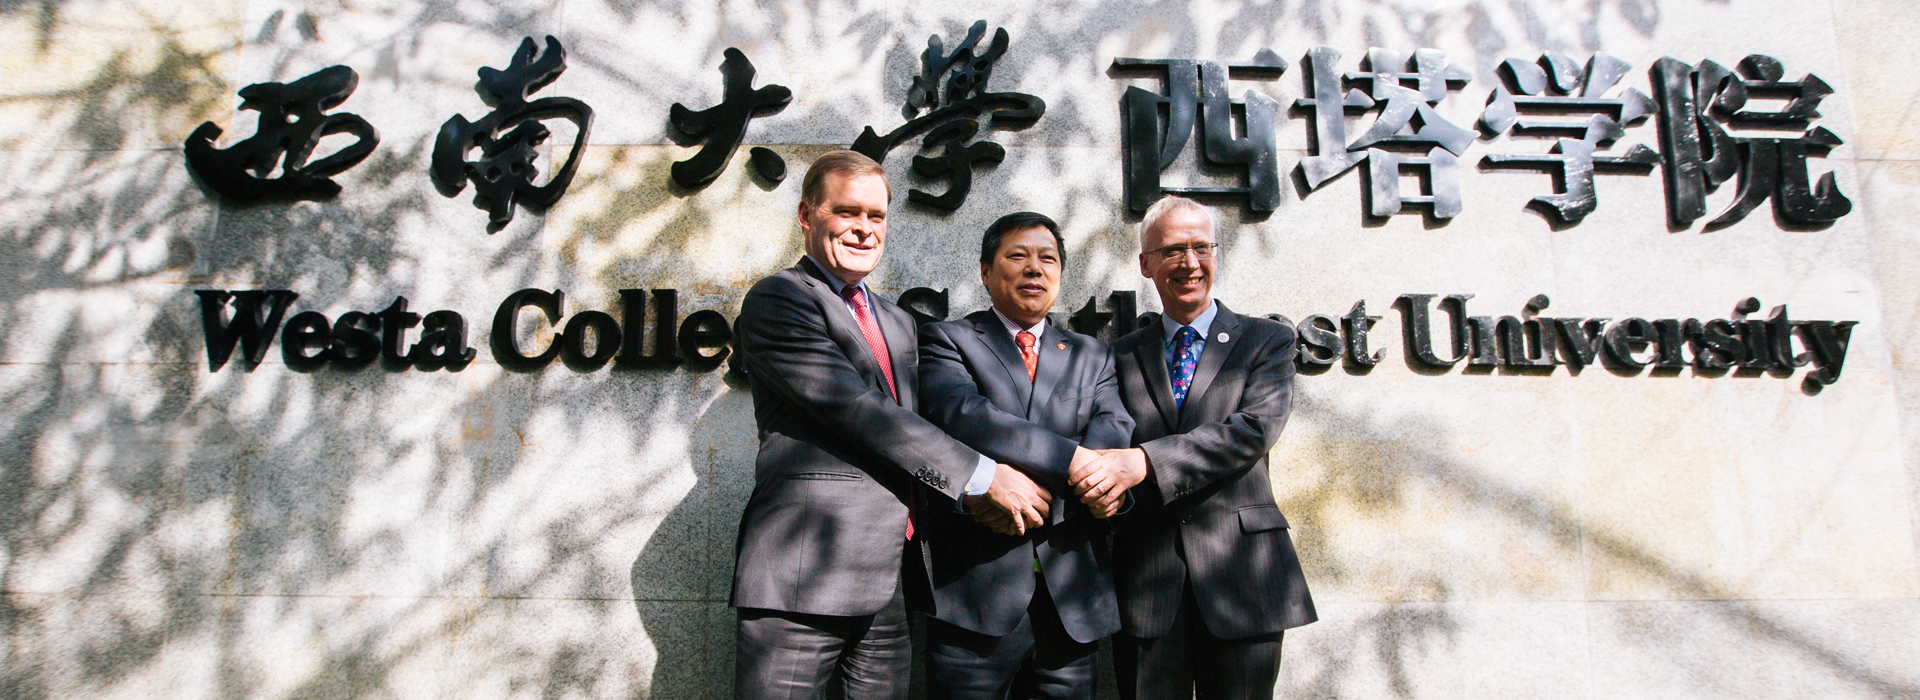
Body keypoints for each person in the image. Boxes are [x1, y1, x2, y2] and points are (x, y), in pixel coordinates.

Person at [729, 151, 1054, 700]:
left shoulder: (898, 321)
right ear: (806, 216)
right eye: (846, 212)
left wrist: (979, 495)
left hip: (891, 584)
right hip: (803, 577)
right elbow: (857, 409)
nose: (864, 229)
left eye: (876, 216)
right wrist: (981, 476)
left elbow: (920, 428)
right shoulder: (780, 298)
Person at [1068, 195, 1317, 700]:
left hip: (1245, 575)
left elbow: (1252, 431)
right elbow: (1104, 437)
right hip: (1148, 583)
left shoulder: (1267, 341)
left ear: (1216, 256)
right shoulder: (1118, 355)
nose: (1190, 262)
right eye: (1173, 250)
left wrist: (1145, 461)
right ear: (1146, 264)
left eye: (1201, 247)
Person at [915, 212, 1135, 700]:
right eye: (1017, 256)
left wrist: (1037, 494)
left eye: (1047, 258)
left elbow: (1112, 432)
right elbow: (966, 416)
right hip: (976, 601)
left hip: (1072, 602)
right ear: (985, 271)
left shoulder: (1093, 355)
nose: (1035, 268)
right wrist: (1072, 463)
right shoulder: (948, 340)